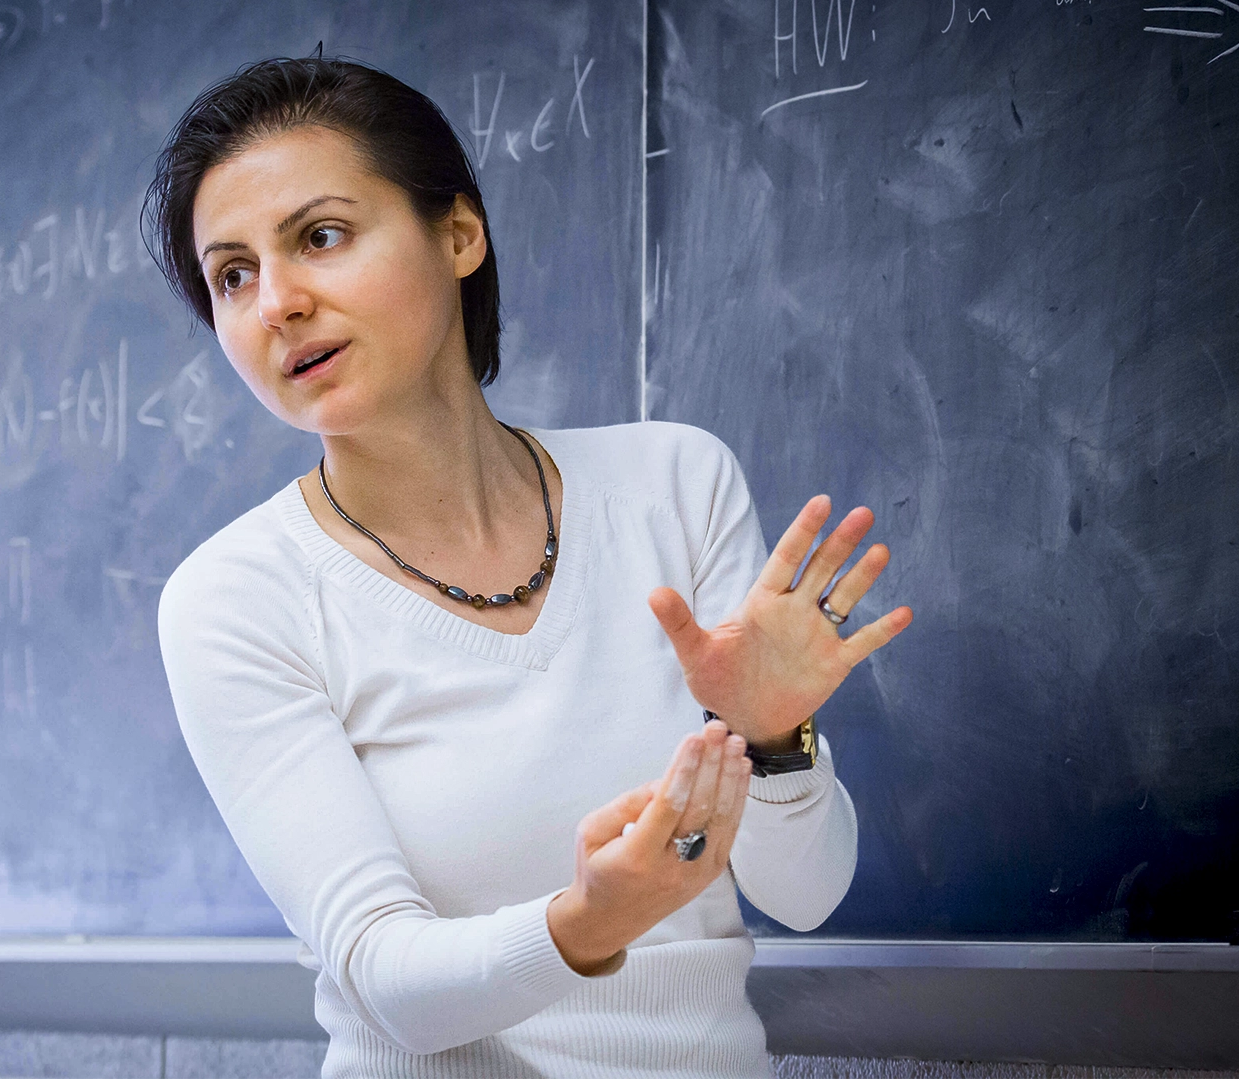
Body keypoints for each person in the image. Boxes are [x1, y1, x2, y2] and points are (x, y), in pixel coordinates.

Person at [146, 55, 912, 1079]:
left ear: (458, 233)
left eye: (320, 236)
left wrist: (772, 737)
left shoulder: (673, 482)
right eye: (231, 275)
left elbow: (809, 891)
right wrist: (589, 919)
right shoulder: (235, 597)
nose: (275, 301)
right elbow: (387, 981)